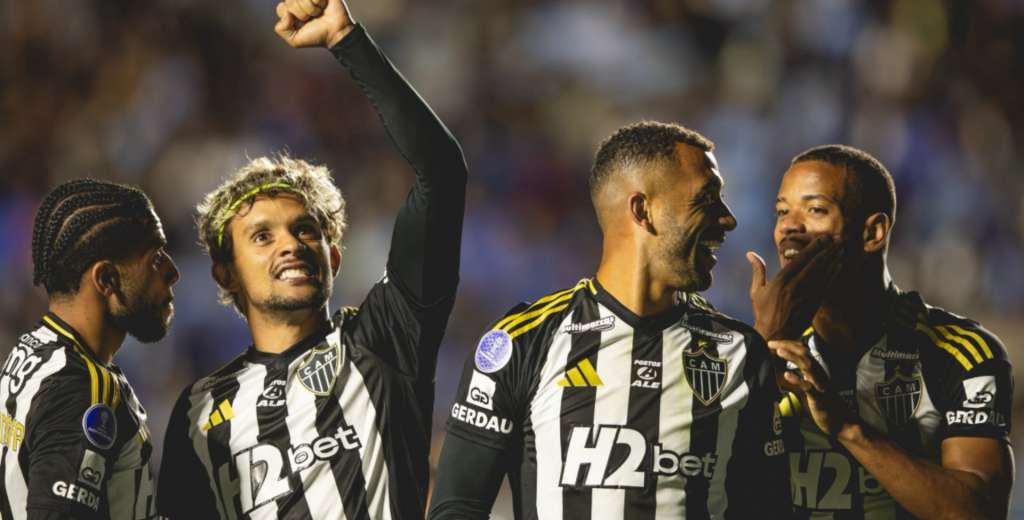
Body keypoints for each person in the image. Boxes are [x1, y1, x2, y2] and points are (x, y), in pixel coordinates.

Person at [155, 0, 467, 517]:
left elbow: (443, 175)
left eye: (306, 230)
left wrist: (348, 41)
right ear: (225, 274)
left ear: (335, 257)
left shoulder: (385, 341)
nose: (291, 244)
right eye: (262, 236)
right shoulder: (199, 409)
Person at [430, 121, 802, 519]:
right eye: (706, 199)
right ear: (643, 210)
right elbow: (457, 508)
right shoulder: (522, 343)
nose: (727, 219)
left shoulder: (741, 354)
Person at [749, 144, 1014, 518]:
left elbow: (977, 511)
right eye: (781, 211)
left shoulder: (961, 352)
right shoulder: (764, 354)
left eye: (816, 210)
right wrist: (760, 348)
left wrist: (848, 429)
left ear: (873, 232)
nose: (789, 226)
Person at [0, 179, 179, 519]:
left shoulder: (32, 350)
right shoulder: (84, 388)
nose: (172, 272)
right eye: (155, 258)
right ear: (106, 279)